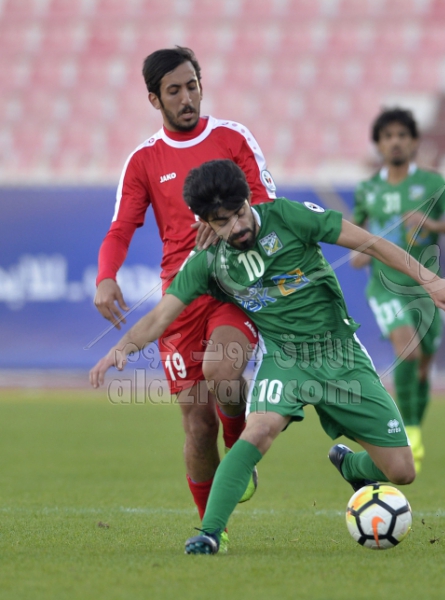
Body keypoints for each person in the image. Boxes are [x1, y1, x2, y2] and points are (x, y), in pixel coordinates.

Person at [89, 159, 445, 555]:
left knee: (402, 471)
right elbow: (160, 317)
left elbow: (370, 243)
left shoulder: (289, 216)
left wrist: (430, 281)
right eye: (222, 222)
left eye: (239, 213)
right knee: (258, 431)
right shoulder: (205, 263)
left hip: (341, 354)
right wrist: (121, 348)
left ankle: (351, 466)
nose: (236, 226)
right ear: (204, 223)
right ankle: (210, 533)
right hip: (285, 360)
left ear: (248, 200)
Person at [93, 47, 276, 537]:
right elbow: (121, 228)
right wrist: (106, 276)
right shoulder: (144, 160)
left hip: (235, 282)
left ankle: (239, 448)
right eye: (173, 91)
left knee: (223, 371)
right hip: (182, 295)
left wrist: (229, 221)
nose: (186, 98)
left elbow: (266, 203)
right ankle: (211, 533)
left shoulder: (232, 138)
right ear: (154, 99)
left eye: (191, 86)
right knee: (197, 424)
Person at [351, 107, 445, 472]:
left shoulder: (433, 184)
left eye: (402, 135)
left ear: (414, 142)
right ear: (378, 144)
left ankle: (416, 429)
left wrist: (433, 224)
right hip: (385, 286)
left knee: (423, 366)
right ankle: (407, 435)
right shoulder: (367, 190)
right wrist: (362, 251)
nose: (395, 142)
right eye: (388, 136)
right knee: (407, 350)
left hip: (426, 289)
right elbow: (356, 238)